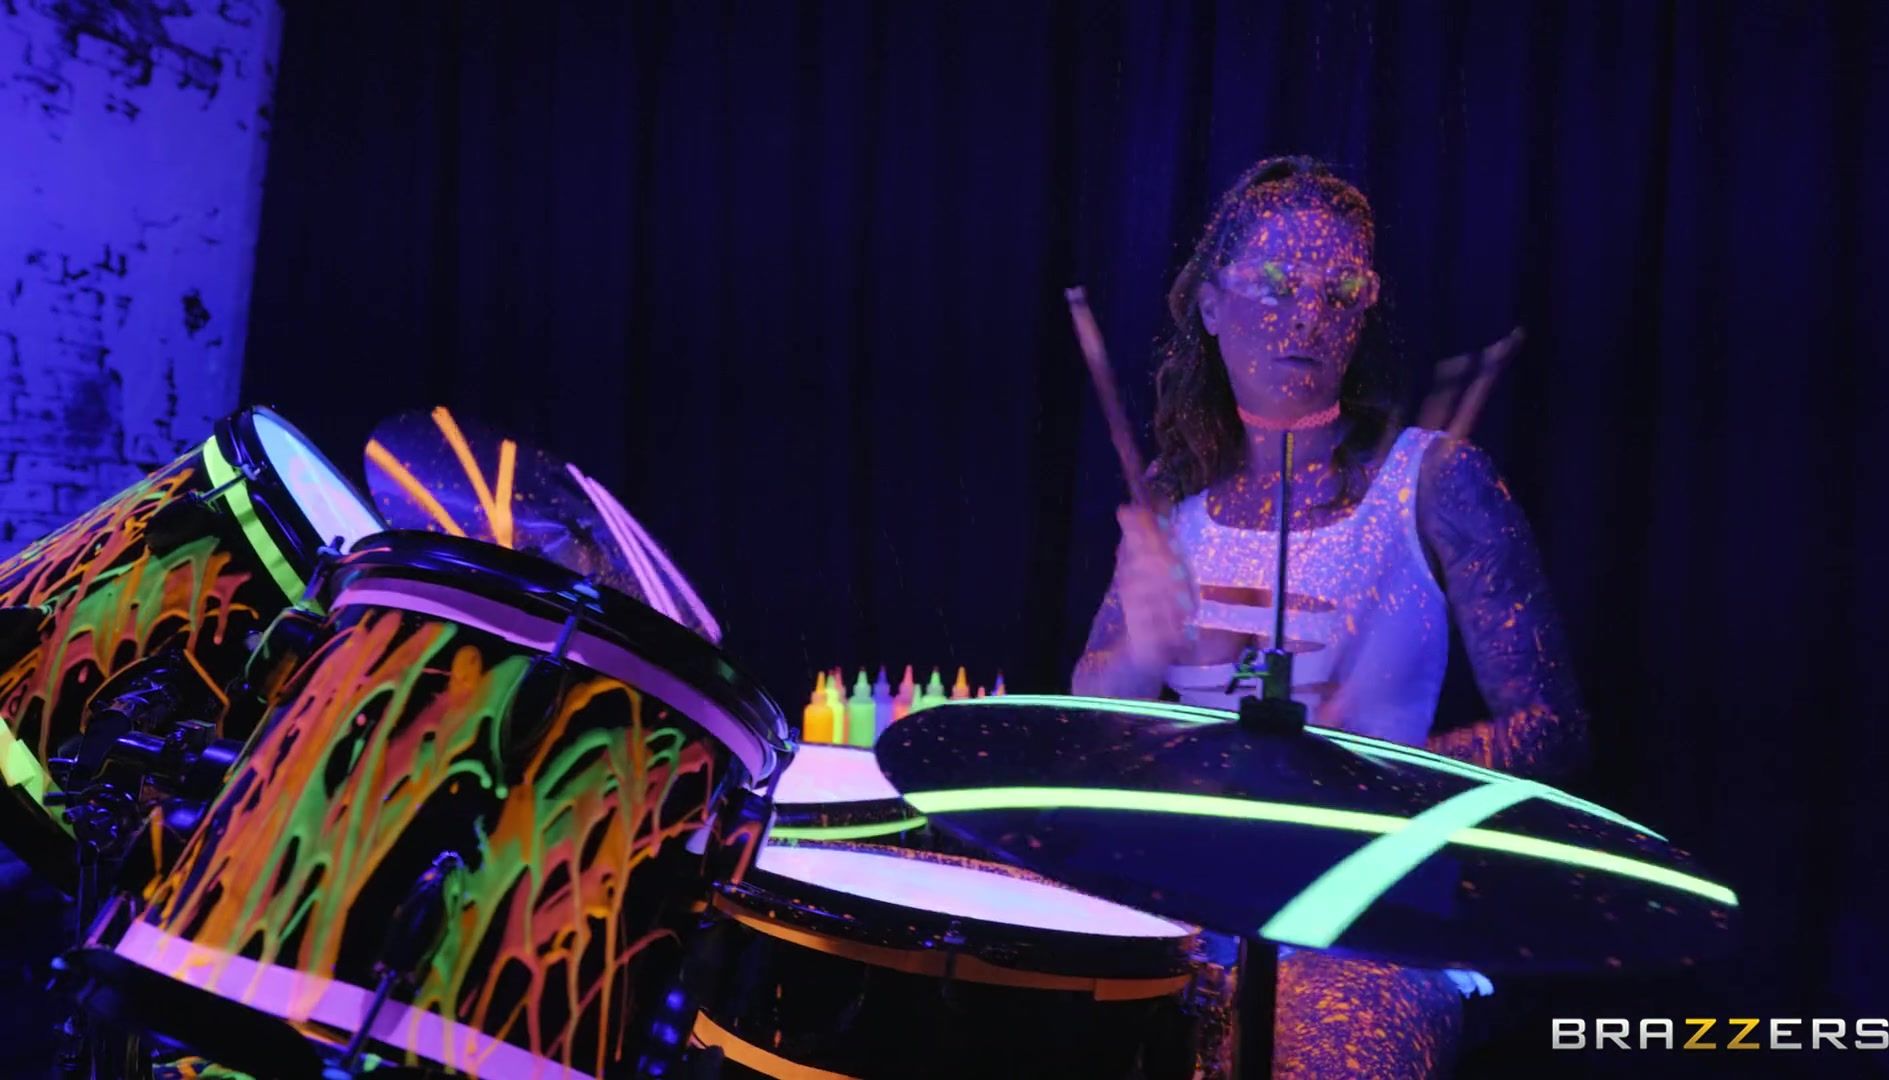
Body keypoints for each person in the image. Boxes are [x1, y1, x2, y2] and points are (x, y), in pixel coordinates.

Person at [1071, 155, 1590, 1077]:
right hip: (1183, 896)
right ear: (1210, 305)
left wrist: (1377, 769)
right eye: (1276, 283)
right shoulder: (1171, 492)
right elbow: (1091, 720)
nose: (1308, 315)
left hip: (1365, 910)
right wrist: (1139, 652)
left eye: (1339, 290)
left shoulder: (1435, 479)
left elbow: (1551, 726)